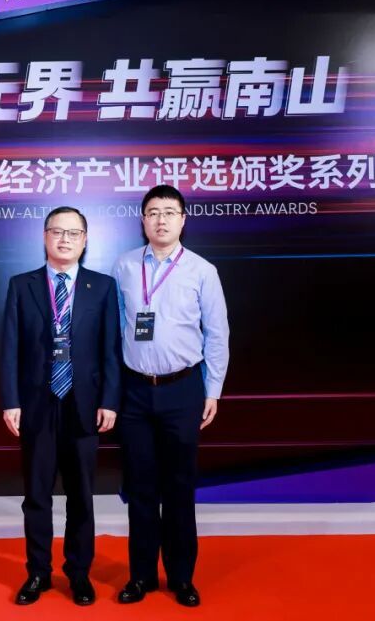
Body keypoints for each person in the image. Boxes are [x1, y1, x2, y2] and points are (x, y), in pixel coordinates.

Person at [112, 185, 230, 608]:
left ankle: (181, 577)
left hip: (183, 389)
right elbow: (114, 328)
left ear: (183, 218)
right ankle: (141, 576)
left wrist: (212, 389)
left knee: (179, 488)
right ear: (142, 219)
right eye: (153, 212)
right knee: (140, 487)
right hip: (135, 391)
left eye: (169, 212)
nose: (160, 220)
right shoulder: (124, 266)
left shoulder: (202, 270)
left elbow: (217, 334)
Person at [0, 206, 121, 606]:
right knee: (36, 494)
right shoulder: (22, 285)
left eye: (73, 233)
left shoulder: (102, 287)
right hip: (37, 404)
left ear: (85, 240)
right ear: (45, 236)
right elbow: (10, 348)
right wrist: (11, 400)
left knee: (81, 495)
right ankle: (38, 572)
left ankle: (79, 572)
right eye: (57, 231)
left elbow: (111, 350)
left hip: (84, 404)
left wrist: (110, 400)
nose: (65, 239)